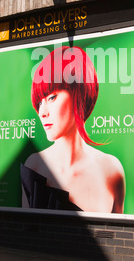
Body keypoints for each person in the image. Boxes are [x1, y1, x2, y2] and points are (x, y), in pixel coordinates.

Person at [21, 45, 126, 213]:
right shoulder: (34, 166)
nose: (42, 112)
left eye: (52, 97)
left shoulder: (112, 170)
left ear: (79, 92)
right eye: (39, 103)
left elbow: (118, 233)